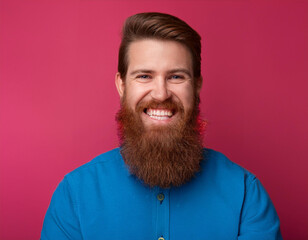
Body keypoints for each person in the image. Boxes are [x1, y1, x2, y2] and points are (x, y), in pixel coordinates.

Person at [41, 12, 282, 240]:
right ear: (122, 85)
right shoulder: (74, 196)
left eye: (176, 76)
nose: (161, 93)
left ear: (196, 86)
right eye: (144, 76)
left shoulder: (245, 194)